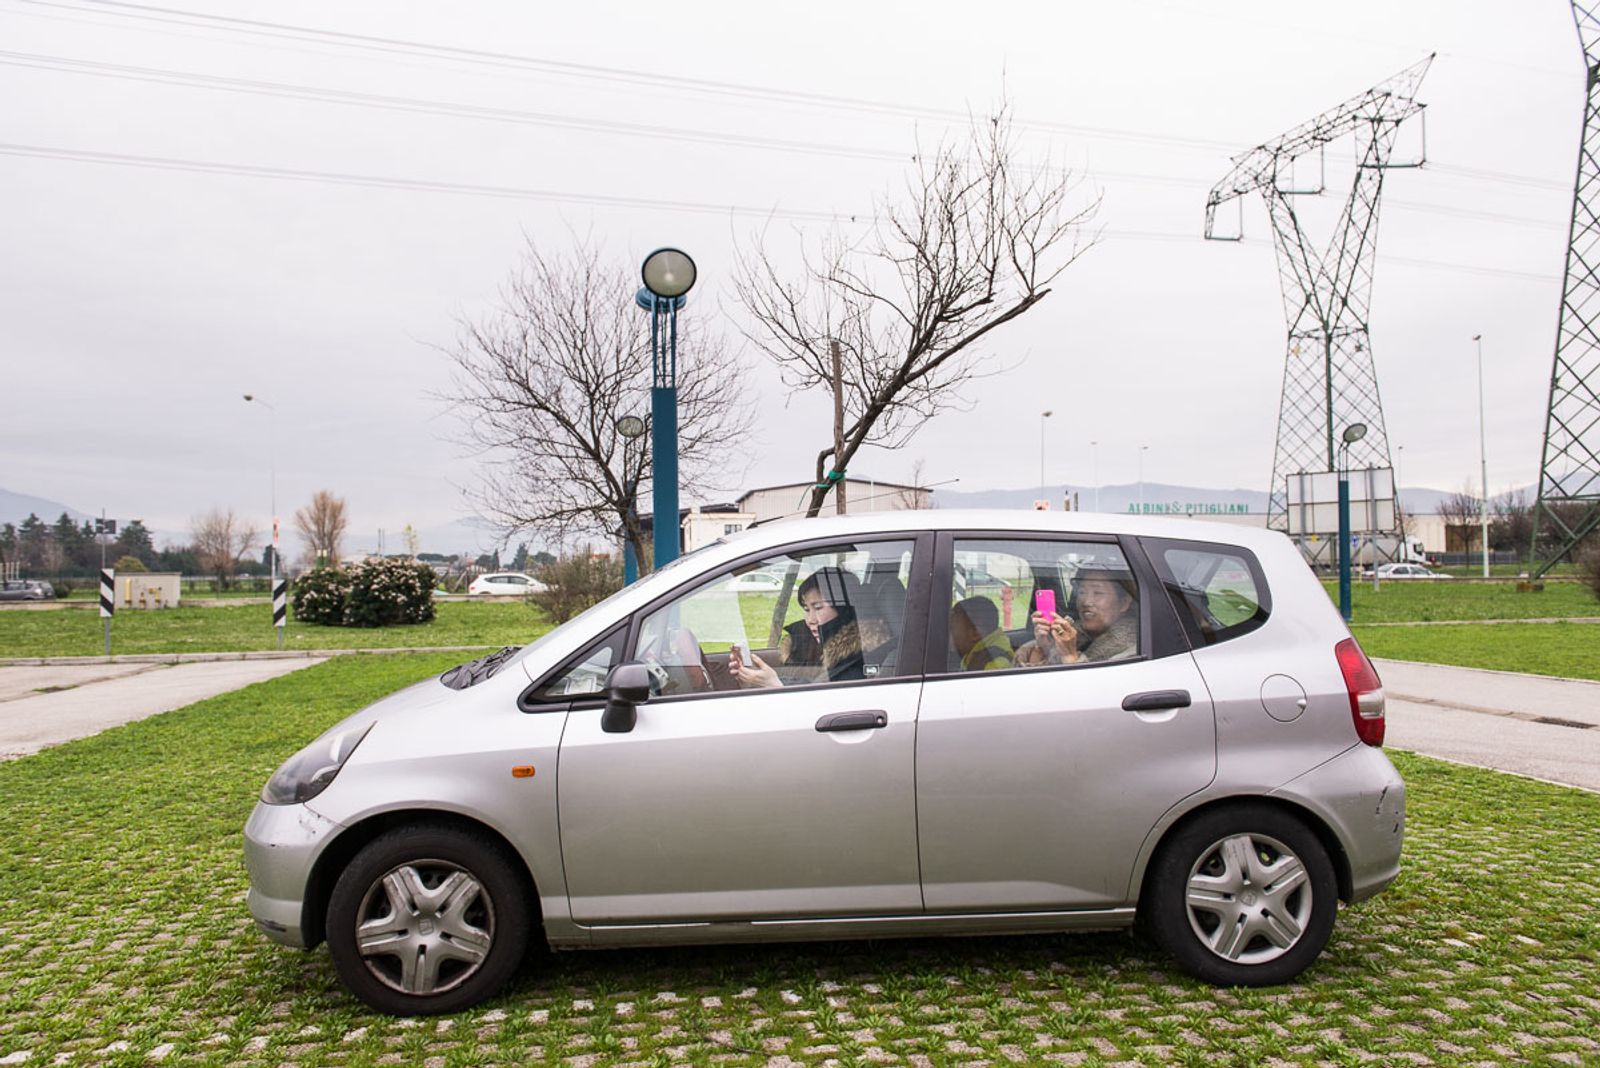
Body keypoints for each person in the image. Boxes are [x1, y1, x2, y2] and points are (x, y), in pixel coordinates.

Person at [730, 567, 888, 688]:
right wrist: (756, 678)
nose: (810, 620)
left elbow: (826, 706)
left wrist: (775, 685)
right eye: (807, 610)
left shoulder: (862, 658)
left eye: (818, 608)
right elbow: (810, 683)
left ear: (845, 608)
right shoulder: (829, 651)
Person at [1018, 565, 1139, 665]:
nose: (1086, 602)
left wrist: (1070, 656)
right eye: (1082, 592)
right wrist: (1044, 648)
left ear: (1124, 603)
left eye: (1098, 593)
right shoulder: (1069, 637)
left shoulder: (1133, 652)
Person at [949, 596, 1014, 671]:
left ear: (975, 633)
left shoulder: (994, 664)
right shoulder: (973, 653)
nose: (948, 635)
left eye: (951, 628)